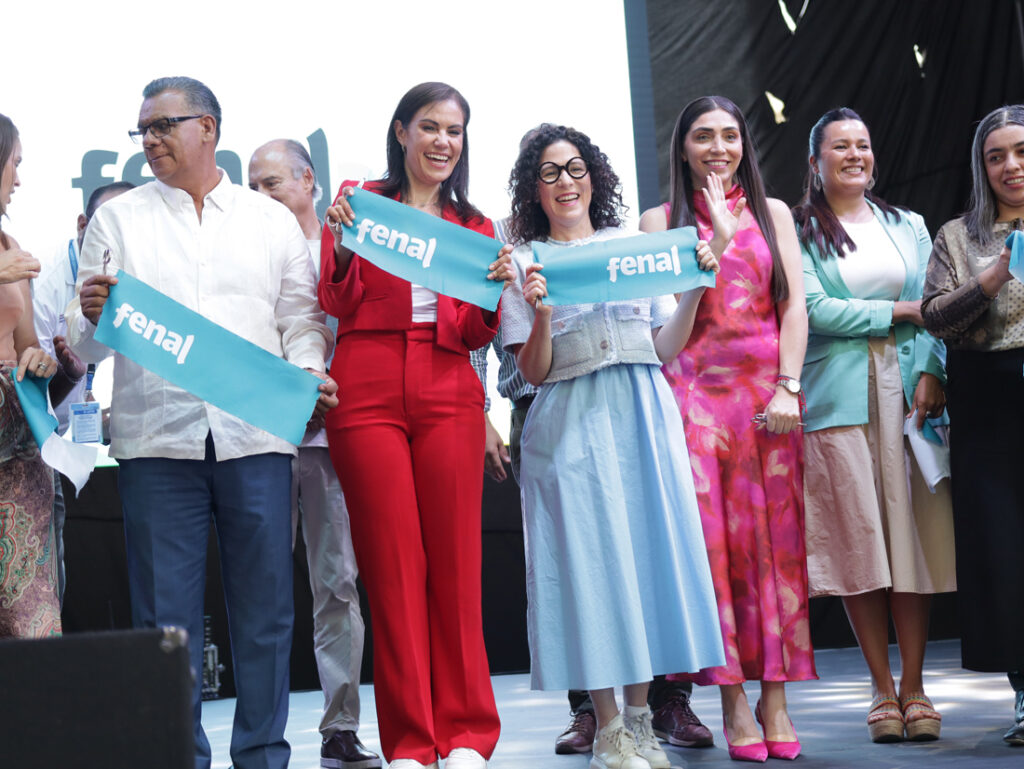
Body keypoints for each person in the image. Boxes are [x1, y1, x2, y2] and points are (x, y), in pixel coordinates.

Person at [65, 77, 336, 769]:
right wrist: (90, 319)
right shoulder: (118, 221)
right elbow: (84, 343)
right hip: (157, 445)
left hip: (257, 438)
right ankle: (176, 757)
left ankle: (263, 756)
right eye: (142, 130)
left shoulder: (268, 220)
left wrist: (308, 370)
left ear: (208, 128)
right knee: (165, 624)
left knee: (266, 614)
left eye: (163, 125)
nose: (149, 140)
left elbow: (300, 319)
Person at [501, 123, 728, 769]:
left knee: (644, 565)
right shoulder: (521, 262)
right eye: (549, 172)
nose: (565, 181)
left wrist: (696, 286)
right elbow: (534, 371)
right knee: (590, 573)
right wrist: (543, 312)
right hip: (569, 423)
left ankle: (640, 721)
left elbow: (665, 345)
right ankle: (607, 729)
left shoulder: (633, 250)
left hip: (641, 420)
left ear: (594, 177)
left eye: (575, 167)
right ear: (534, 189)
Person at [319, 82, 512, 769]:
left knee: (456, 568)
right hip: (366, 381)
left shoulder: (476, 226)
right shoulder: (360, 201)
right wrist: (343, 245)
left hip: (447, 384)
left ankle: (466, 734)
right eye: (429, 126)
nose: (442, 142)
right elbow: (334, 296)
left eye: (454, 131)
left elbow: (474, 331)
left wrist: (492, 291)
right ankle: (409, 740)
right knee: (392, 568)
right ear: (401, 132)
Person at [639, 95, 815, 762]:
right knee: (715, 557)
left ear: (744, 143)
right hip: (695, 402)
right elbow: (663, 332)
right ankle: (734, 701)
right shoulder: (660, 221)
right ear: (682, 147)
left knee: (777, 553)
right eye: (703, 136)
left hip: (769, 400)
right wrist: (709, 238)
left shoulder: (773, 213)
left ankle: (777, 699)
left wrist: (789, 384)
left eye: (729, 135)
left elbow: (793, 305)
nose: (718, 147)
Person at [793, 107, 955, 743]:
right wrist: (896, 312)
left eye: (862, 144)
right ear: (816, 162)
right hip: (839, 399)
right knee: (857, 541)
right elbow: (814, 309)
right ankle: (881, 689)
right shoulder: (800, 230)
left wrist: (933, 368)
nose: (854, 155)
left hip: (909, 395)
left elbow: (938, 305)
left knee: (910, 539)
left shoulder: (907, 225)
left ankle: (915, 687)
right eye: (840, 146)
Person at [248, 138, 380, 769]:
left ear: (308, 181)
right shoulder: (247, 249)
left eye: (271, 183)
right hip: (262, 440)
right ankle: (260, 734)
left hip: (335, 436)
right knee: (262, 588)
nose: (260, 196)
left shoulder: (347, 244)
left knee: (337, 584)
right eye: (252, 186)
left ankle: (340, 727)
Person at [921, 104, 1024, 746]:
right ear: (981, 167)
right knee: (1004, 548)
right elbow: (935, 317)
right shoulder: (958, 236)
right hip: (988, 399)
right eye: (996, 156)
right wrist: (992, 277)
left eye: (1021, 151)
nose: (1011, 165)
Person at [32, 180, 134, 604]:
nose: (118, 242)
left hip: (102, 452)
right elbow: (32, 401)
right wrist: (71, 378)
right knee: (41, 586)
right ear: (82, 225)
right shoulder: (43, 285)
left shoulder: (136, 278)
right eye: (107, 228)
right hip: (39, 454)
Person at [0, 112, 61, 639]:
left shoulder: (9, 245)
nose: (18, 179)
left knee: (29, 620)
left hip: (18, 450)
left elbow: (27, 347)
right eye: (14, 163)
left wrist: (41, 361)